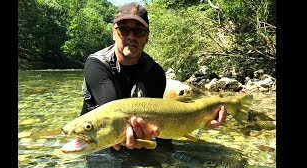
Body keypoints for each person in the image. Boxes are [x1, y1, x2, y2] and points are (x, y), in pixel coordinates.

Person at [80, 2, 226, 152]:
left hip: (139, 136)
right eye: (123, 30)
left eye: (139, 32)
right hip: (96, 138)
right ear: (114, 33)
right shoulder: (96, 65)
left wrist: (202, 119)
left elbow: (161, 119)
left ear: (147, 37)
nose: (131, 36)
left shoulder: (155, 72)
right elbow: (113, 119)